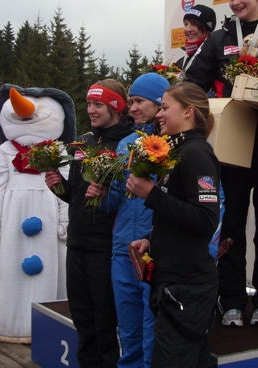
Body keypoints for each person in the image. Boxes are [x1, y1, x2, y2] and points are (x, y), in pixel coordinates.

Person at [185, 0, 258, 328]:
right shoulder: (219, 38)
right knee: (230, 224)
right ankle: (230, 299)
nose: (236, 3)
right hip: (231, 144)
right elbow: (193, 84)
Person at [129, 82, 220, 368]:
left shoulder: (196, 154)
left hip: (187, 287)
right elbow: (179, 217)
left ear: (189, 112)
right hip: (173, 283)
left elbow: (206, 220)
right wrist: (151, 241)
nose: (159, 114)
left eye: (166, 107)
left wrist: (151, 194)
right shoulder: (177, 153)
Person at [46, 80, 135, 367]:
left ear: (116, 107)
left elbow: (130, 199)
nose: (91, 110)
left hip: (106, 246)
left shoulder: (128, 142)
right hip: (78, 242)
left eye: (98, 105)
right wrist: (57, 186)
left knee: (105, 321)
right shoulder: (84, 142)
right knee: (83, 319)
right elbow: (76, 195)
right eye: (89, 104)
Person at [86, 73, 170, 368]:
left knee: (152, 327)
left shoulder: (171, 144)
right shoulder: (125, 144)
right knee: (128, 328)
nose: (132, 108)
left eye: (139, 101)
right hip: (123, 248)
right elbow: (118, 200)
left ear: (160, 103)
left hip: (153, 248)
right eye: (131, 101)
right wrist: (100, 193)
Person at [175, 4, 217, 78]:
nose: (188, 29)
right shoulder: (179, 63)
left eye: (194, 24)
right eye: (186, 24)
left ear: (208, 29)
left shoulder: (216, 59)